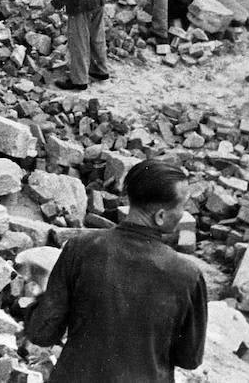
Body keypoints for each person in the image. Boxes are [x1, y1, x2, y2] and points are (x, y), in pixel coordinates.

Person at [25, 158, 207, 383]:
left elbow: (41, 334)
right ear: (160, 216)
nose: (184, 213)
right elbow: (190, 358)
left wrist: (39, 296)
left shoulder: (80, 248)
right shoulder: (188, 275)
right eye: (182, 205)